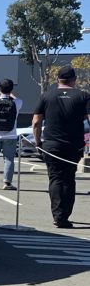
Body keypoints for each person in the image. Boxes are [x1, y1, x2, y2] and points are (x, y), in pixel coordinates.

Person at [32, 65, 90, 228]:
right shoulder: (83, 96)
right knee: (69, 179)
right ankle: (64, 215)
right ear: (74, 80)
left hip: (51, 144)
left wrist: (38, 142)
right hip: (74, 145)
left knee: (55, 178)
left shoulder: (46, 96)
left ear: (57, 80)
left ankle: (57, 215)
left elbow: (36, 122)